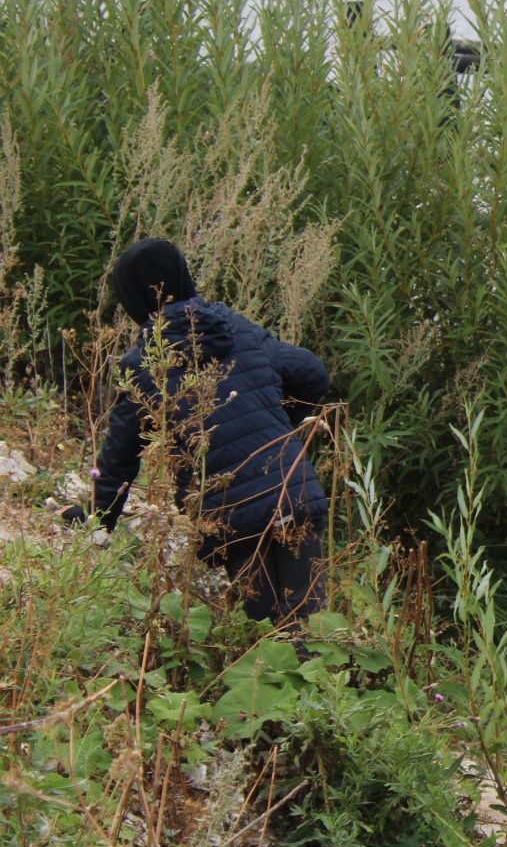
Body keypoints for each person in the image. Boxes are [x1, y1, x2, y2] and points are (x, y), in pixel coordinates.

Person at [69, 238, 331, 626]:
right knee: (311, 626)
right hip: (291, 490)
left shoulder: (143, 365)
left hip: (230, 514)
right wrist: (277, 429)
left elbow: (119, 459)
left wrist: (98, 519)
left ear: (133, 303)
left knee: (266, 631)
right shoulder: (237, 328)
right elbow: (313, 375)